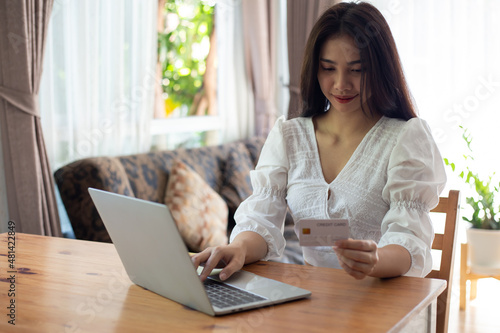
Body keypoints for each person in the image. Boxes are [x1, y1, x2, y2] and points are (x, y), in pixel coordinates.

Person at [192, 1, 446, 281]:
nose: (341, 84)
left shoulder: (406, 139)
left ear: (380, 69)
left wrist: (375, 260)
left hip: (381, 298)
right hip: (315, 299)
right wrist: (238, 247)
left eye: (357, 69)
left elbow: (409, 240)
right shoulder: (289, 137)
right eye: (328, 68)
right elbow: (261, 219)